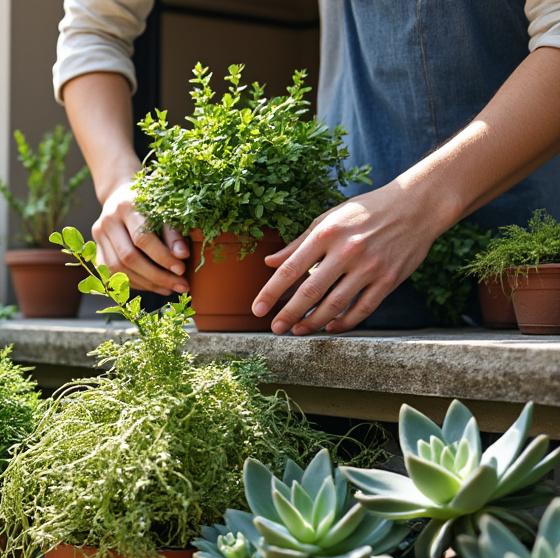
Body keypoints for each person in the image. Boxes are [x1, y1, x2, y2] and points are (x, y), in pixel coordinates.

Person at [56, 1, 560, 334]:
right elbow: (93, 30)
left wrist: (416, 204)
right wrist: (120, 183)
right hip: (348, 278)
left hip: (539, 260)